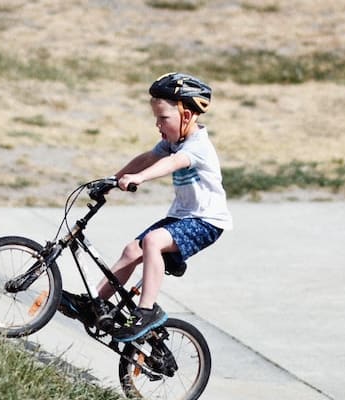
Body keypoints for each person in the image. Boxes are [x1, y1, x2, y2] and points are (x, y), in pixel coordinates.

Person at [65, 72, 232, 342]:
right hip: (181, 217)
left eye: (163, 118)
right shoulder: (172, 142)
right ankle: (95, 303)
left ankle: (147, 310)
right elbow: (149, 157)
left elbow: (170, 164)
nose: (158, 124)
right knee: (133, 250)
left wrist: (140, 178)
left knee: (153, 242)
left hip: (206, 221)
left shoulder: (197, 146)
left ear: (186, 116)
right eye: (156, 118)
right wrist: (113, 180)